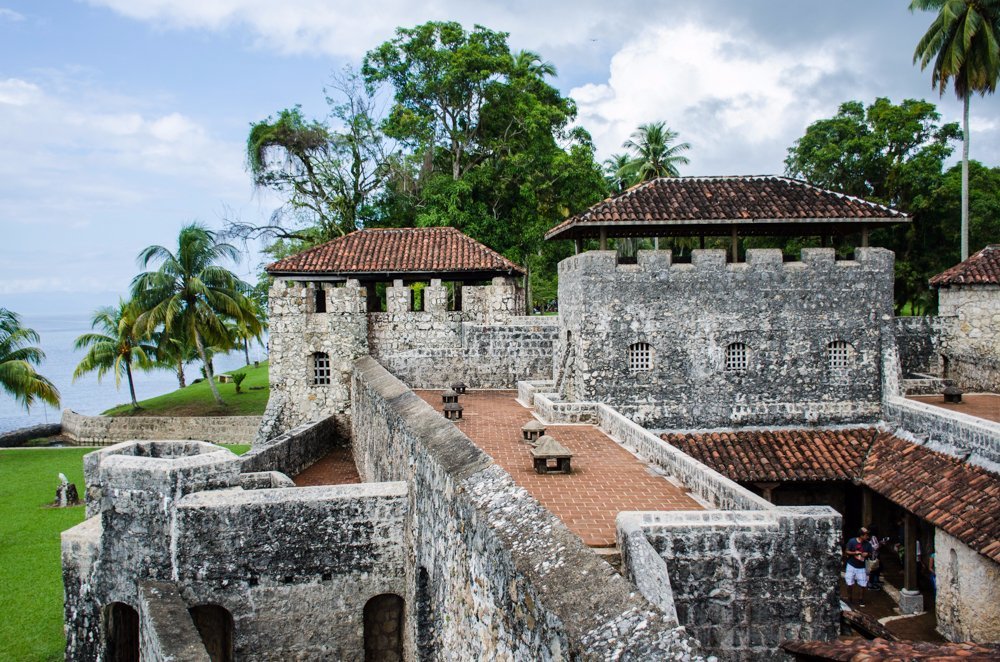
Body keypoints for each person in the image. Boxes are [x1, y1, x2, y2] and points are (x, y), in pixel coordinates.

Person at [844, 527, 871, 607]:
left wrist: (867, 554)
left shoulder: (868, 544)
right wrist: (854, 553)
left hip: (862, 566)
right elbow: (847, 551)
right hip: (851, 564)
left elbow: (870, 553)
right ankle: (849, 599)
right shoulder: (852, 541)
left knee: (863, 584)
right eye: (866, 535)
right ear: (861, 535)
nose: (867, 537)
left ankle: (861, 599)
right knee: (849, 583)